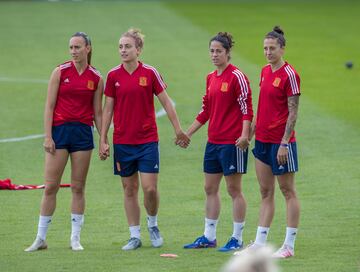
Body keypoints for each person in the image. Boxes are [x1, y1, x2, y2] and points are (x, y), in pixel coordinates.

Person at [99, 28, 189, 251]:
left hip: (147, 141)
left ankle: (153, 225)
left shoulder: (150, 73)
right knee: (129, 189)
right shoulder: (113, 76)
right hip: (122, 142)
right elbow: (107, 110)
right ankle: (134, 235)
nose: (123, 50)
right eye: (120, 46)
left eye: (128, 46)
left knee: (149, 189)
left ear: (138, 50)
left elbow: (167, 103)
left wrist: (178, 130)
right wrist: (103, 139)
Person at [25, 32, 104, 252]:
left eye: (77, 47)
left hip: (82, 135)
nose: (73, 51)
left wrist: (104, 138)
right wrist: (48, 136)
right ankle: (41, 238)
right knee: (50, 187)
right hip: (59, 133)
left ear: (87, 48)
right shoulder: (60, 72)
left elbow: (98, 112)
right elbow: (49, 106)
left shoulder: (97, 78)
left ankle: (75, 239)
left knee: (78, 187)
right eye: (71, 47)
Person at [182, 32, 253, 252]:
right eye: (212, 51)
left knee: (234, 190)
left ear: (228, 53)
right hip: (213, 143)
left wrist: (244, 136)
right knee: (209, 187)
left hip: (232, 144)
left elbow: (247, 109)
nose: (214, 55)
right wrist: (188, 133)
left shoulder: (237, 77)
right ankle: (209, 236)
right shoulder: (211, 77)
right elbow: (206, 110)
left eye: (218, 51)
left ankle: (237, 238)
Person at [245, 26, 301, 258]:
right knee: (265, 191)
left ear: (282, 48)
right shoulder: (265, 71)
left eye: (272, 48)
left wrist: (285, 143)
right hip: (262, 142)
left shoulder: (290, 74)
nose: (268, 52)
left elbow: (293, 112)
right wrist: (250, 132)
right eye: (265, 48)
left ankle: (289, 246)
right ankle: (259, 243)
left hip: (281, 144)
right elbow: (263, 107)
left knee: (287, 190)